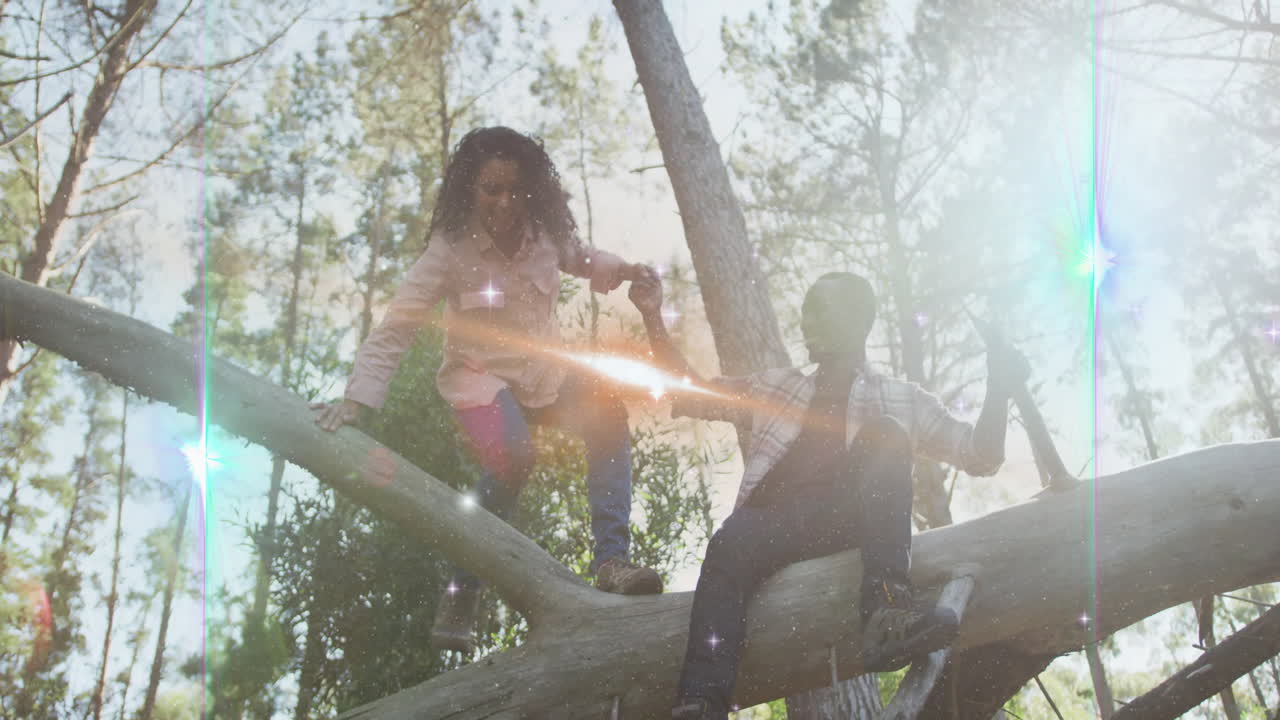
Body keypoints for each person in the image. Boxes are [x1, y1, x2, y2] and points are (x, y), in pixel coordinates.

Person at [314, 127, 662, 655]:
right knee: (514, 455)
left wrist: (625, 269)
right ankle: (461, 590)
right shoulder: (448, 251)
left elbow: (582, 258)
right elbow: (398, 326)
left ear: (532, 191)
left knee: (608, 410)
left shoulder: (544, 234)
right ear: (469, 190)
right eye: (490, 189)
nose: (504, 201)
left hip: (544, 378)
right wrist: (357, 399)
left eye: (515, 190)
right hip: (477, 384)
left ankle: (611, 562)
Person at [627, 269, 1028, 720]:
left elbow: (980, 456)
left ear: (858, 322)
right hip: (768, 525)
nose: (806, 322)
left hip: (846, 522)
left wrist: (998, 389)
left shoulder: (901, 398)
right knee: (727, 545)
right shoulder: (777, 387)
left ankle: (887, 614)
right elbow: (692, 393)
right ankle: (701, 702)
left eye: (818, 310)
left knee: (887, 434)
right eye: (804, 313)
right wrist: (652, 316)